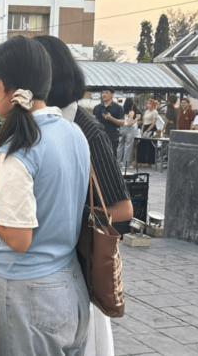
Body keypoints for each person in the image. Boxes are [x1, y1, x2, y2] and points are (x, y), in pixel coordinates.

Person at [0, 36, 91, 355]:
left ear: (6, 84)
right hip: (71, 283)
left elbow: (19, 239)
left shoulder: (17, 149)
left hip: (30, 291)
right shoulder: (73, 132)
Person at [36, 35, 133, 356]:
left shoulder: (85, 128)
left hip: (78, 272)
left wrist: (61, 219)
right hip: (48, 271)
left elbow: (123, 210)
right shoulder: (44, 127)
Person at [92, 87, 124, 155]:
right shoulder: (97, 108)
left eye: (106, 93)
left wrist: (111, 118)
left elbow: (122, 122)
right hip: (98, 138)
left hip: (112, 138)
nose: (104, 94)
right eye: (103, 93)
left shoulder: (118, 108)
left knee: (111, 160)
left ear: (112, 95)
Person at [117, 98, 141, 170]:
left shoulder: (121, 111)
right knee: (128, 147)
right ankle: (125, 164)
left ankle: (117, 162)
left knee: (120, 146)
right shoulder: (131, 112)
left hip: (122, 128)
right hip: (129, 129)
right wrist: (136, 119)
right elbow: (130, 123)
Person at [136, 99, 160, 167]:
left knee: (150, 145)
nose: (147, 105)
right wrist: (142, 129)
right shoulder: (146, 111)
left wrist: (149, 130)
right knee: (141, 144)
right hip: (145, 126)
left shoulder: (155, 112)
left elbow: (153, 122)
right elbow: (144, 121)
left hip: (151, 127)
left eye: (149, 104)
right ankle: (140, 160)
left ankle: (149, 161)